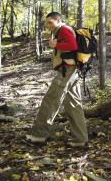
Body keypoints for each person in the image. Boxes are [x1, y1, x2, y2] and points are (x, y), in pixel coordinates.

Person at [26, 12, 88, 147]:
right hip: (72, 71)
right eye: (46, 23)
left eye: (50, 22)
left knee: (51, 99)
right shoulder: (61, 30)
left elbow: (73, 46)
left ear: (58, 20)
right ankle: (80, 140)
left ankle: (38, 136)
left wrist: (55, 45)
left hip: (67, 71)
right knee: (73, 105)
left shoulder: (64, 29)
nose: (48, 26)